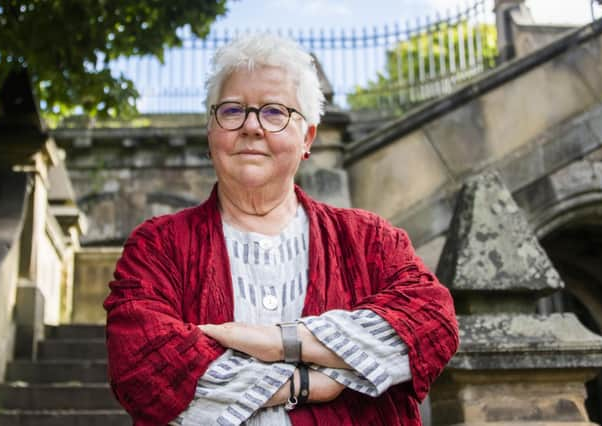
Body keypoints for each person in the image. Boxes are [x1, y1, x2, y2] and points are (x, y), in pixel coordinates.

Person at [104, 34, 459, 426]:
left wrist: (280, 341)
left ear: (307, 137)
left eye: (274, 112)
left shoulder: (371, 240)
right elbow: (144, 367)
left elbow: (431, 324)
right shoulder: (158, 246)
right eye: (233, 110)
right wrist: (305, 382)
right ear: (211, 130)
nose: (252, 126)